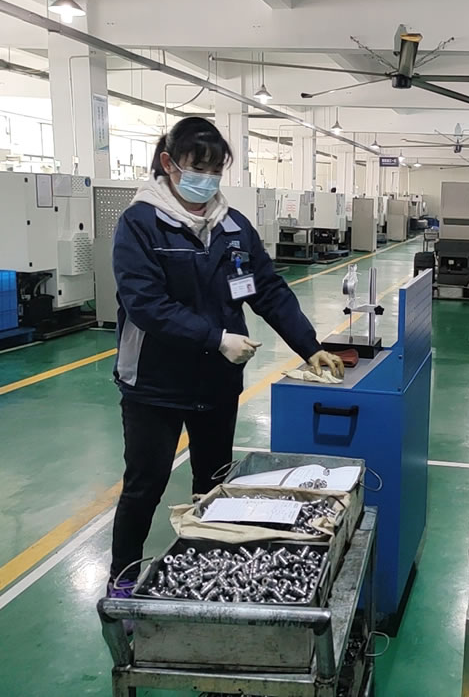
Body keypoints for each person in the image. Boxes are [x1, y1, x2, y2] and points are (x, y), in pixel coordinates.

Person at [107, 117, 342, 595]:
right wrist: (217, 338)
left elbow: (269, 290)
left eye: (216, 169)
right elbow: (145, 305)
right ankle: (123, 581)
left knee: (214, 483)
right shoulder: (140, 223)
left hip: (216, 381)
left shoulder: (233, 226)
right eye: (199, 168)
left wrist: (310, 346)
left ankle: (207, 572)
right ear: (169, 164)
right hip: (154, 382)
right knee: (144, 485)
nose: (208, 179)